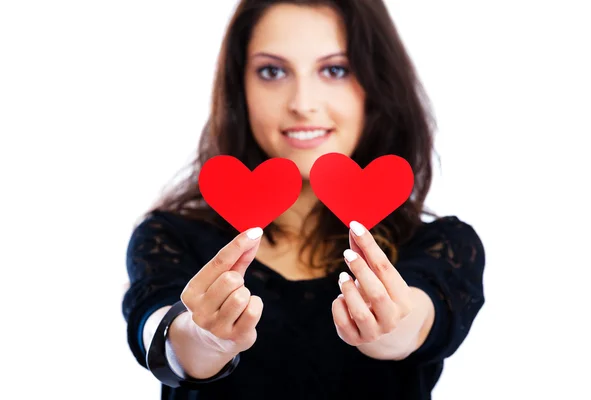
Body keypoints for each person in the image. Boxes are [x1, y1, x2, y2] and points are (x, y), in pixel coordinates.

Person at [121, 0, 486, 399]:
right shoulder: (170, 235)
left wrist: (391, 327)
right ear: (239, 85)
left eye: (334, 70)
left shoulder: (444, 245)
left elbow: (419, 319)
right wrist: (202, 339)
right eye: (272, 71)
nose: (302, 103)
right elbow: (160, 329)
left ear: (377, 84)